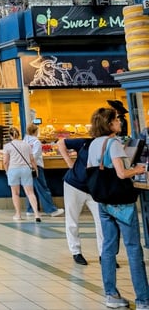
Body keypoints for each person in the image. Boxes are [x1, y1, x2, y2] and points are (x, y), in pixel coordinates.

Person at [87, 107, 149, 309]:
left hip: (103, 202)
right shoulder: (113, 143)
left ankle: (111, 295)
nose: (120, 122)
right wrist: (138, 169)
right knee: (133, 250)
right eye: (116, 120)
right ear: (109, 124)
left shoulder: (94, 144)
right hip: (122, 203)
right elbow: (122, 174)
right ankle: (143, 299)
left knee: (108, 248)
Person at [58, 131, 103, 265]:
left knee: (101, 221)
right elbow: (61, 143)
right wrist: (69, 162)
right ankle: (76, 251)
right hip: (74, 184)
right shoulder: (85, 142)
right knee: (72, 219)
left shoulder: (110, 146)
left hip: (94, 189)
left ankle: (104, 254)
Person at [23, 123, 64, 218]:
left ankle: (31, 209)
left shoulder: (24, 141)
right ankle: (51, 210)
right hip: (36, 167)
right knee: (42, 188)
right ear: (36, 131)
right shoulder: (36, 142)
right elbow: (35, 155)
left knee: (30, 189)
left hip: (25, 167)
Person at [2, 126, 41, 222]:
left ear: (10, 135)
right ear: (19, 134)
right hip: (26, 170)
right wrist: (36, 169)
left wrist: (7, 171)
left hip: (13, 169)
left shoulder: (7, 146)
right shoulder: (26, 145)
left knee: (15, 193)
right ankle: (36, 214)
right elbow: (32, 160)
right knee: (30, 193)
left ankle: (18, 214)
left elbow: (5, 161)